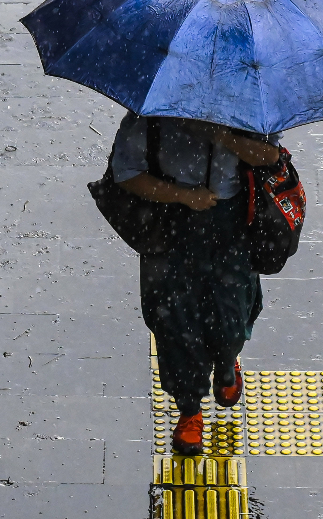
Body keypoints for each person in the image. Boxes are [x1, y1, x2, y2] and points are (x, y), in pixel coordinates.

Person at [111, 112, 281, 455]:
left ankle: (226, 361)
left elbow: (270, 157)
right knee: (173, 321)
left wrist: (221, 135)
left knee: (231, 314)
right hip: (170, 228)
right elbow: (126, 173)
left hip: (232, 225)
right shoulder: (153, 112)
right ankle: (189, 409)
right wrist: (181, 196)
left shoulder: (248, 105)